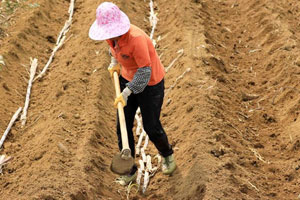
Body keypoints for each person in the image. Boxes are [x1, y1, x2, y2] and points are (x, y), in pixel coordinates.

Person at [89, 2, 176, 185]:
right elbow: (113, 48)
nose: (109, 36)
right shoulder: (111, 37)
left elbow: (144, 72)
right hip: (126, 78)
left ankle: (167, 154)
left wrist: (127, 92)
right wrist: (114, 63)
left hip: (150, 83)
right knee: (123, 126)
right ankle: (130, 170)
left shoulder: (136, 39)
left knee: (151, 127)